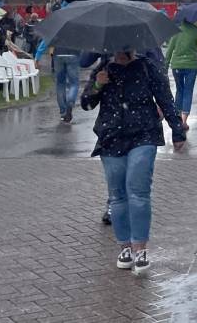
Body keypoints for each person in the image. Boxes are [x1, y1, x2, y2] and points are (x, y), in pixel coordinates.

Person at [80, 48, 186, 277]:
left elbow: (165, 99)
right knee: (117, 196)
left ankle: (140, 249)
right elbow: (86, 104)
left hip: (143, 134)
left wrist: (177, 130)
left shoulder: (148, 68)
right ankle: (125, 247)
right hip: (111, 138)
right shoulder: (103, 69)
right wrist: (98, 85)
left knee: (138, 191)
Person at [164, 20, 197, 131]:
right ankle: (184, 121)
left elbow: (169, 51)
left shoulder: (175, 31)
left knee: (179, 90)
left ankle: (177, 118)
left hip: (177, 65)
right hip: (191, 65)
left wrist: (165, 69)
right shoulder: (196, 31)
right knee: (188, 91)